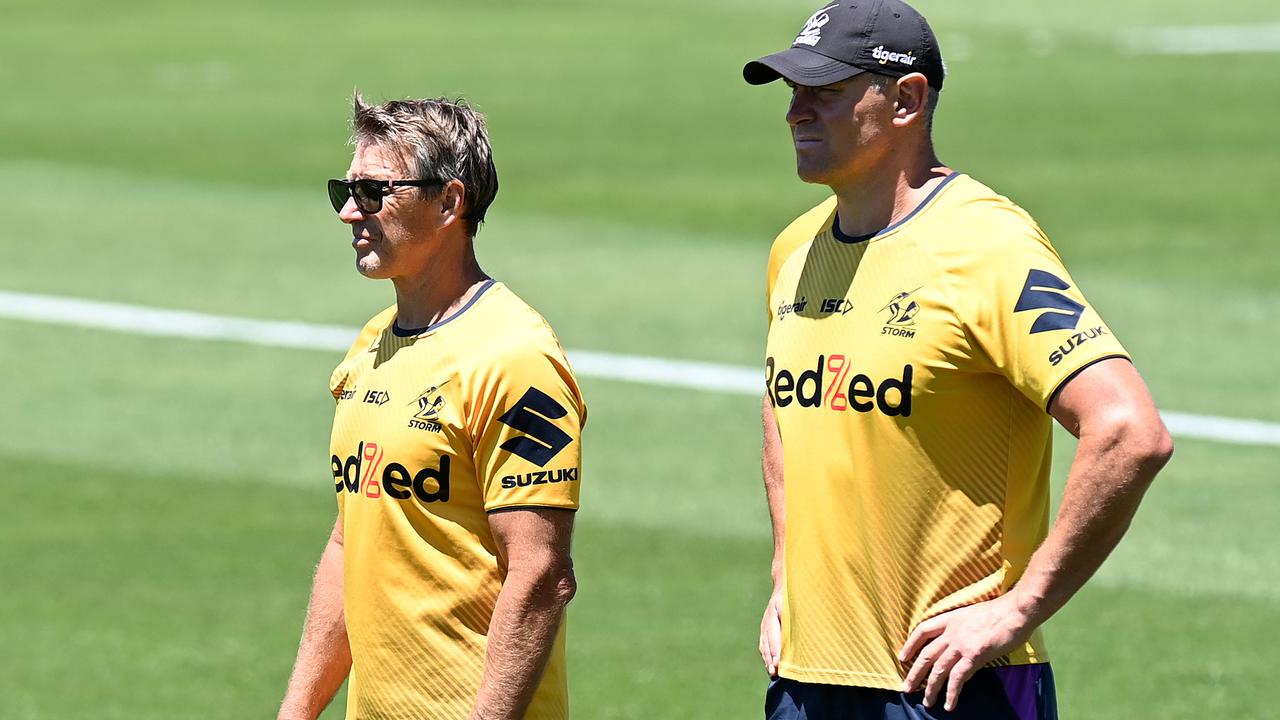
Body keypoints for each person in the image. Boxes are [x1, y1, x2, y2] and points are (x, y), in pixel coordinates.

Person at [742, 2, 1174, 718]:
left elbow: (1129, 432)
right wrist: (787, 567)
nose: (796, 113)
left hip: (950, 688)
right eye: (793, 92)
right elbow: (784, 402)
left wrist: (1017, 609)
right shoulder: (794, 252)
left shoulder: (988, 249)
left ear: (906, 99)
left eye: (826, 92)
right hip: (807, 680)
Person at [278, 94, 586, 720]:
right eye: (345, 188)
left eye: (373, 192)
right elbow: (349, 543)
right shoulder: (371, 347)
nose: (347, 212)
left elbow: (540, 574)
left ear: (449, 202)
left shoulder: (514, 357)